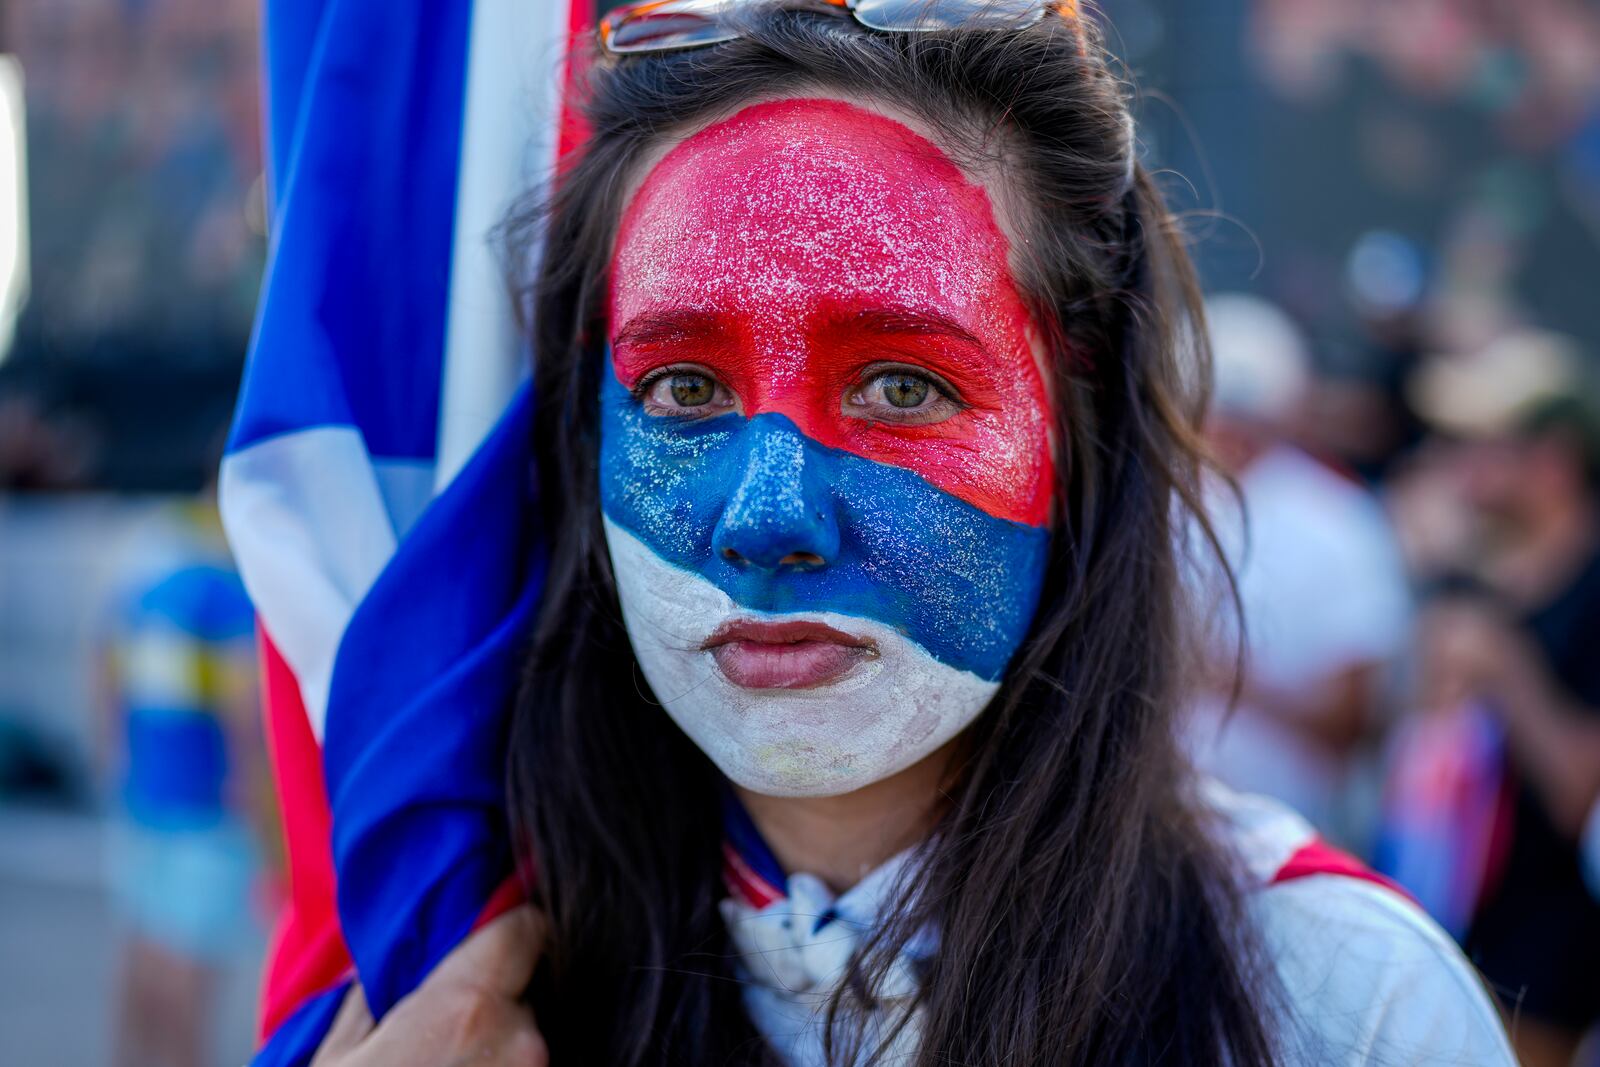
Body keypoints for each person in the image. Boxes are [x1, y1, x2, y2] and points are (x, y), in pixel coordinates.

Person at [309, 4, 1512, 1065]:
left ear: (1076, 427)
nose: (767, 513)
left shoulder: (1347, 1009)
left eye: (899, 385)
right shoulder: (446, 1007)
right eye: (682, 387)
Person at [1406, 331, 1600, 1067]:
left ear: (1551, 461)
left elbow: (1584, 798)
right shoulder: (1469, 573)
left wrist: (1506, 668)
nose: (1455, 462)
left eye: (1479, 441)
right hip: (1446, 937)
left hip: (1551, 972)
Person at [1185, 293, 1411, 842]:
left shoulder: (1341, 521)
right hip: (1138, 822)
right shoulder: (1150, 495)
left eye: (1247, 415)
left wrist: (1227, 677)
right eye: (1219, 410)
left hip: (1282, 837)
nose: (1229, 432)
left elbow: (1356, 722)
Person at [100, 496, 270, 1067]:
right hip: (207, 800)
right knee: (191, 968)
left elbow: (102, 661)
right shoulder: (223, 584)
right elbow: (242, 705)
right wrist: (253, 788)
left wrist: (117, 755)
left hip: (149, 790)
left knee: (145, 947)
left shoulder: (152, 569)